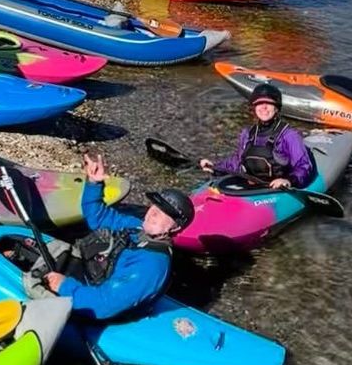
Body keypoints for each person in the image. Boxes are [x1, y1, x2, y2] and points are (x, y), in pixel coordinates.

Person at [42, 152, 195, 319]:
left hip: (97, 307)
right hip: (92, 281)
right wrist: (95, 183)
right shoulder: (136, 227)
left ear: (175, 228)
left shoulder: (151, 265)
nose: (154, 212)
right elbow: (98, 217)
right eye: (155, 205)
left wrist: (64, 286)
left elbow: (103, 306)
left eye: (166, 213)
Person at [200, 82, 315, 189]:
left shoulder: (289, 135)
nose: (263, 107)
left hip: (279, 189)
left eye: (269, 103)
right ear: (254, 108)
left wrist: (289, 180)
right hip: (254, 187)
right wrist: (215, 167)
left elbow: (303, 166)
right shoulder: (247, 134)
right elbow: (237, 161)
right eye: (259, 103)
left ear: (276, 108)